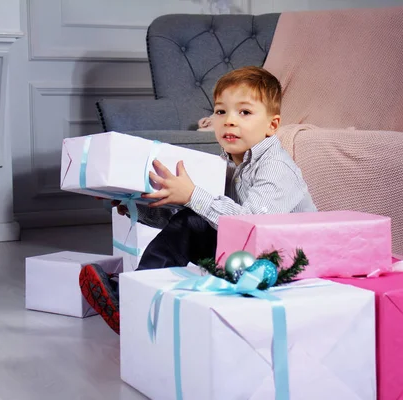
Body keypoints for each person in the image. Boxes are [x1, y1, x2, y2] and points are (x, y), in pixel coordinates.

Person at [79, 66, 317, 334]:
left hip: (285, 263)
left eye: (245, 112)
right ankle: (135, 296)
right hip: (246, 254)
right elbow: (199, 219)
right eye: (220, 111)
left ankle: (132, 298)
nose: (229, 120)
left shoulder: (275, 167)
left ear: (272, 125)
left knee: (193, 220)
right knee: (190, 220)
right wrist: (137, 206)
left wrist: (193, 195)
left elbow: (251, 225)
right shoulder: (228, 166)